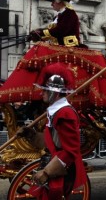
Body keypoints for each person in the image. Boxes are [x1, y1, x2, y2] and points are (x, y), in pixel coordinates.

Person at [16, 63, 87, 199]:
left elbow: (70, 151)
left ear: (54, 92)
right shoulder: (57, 111)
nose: (41, 93)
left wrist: (47, 172)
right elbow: (53, 141)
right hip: (53, 164)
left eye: (45, 90)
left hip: (61, 169)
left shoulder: (65, 114)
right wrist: (30, 134)